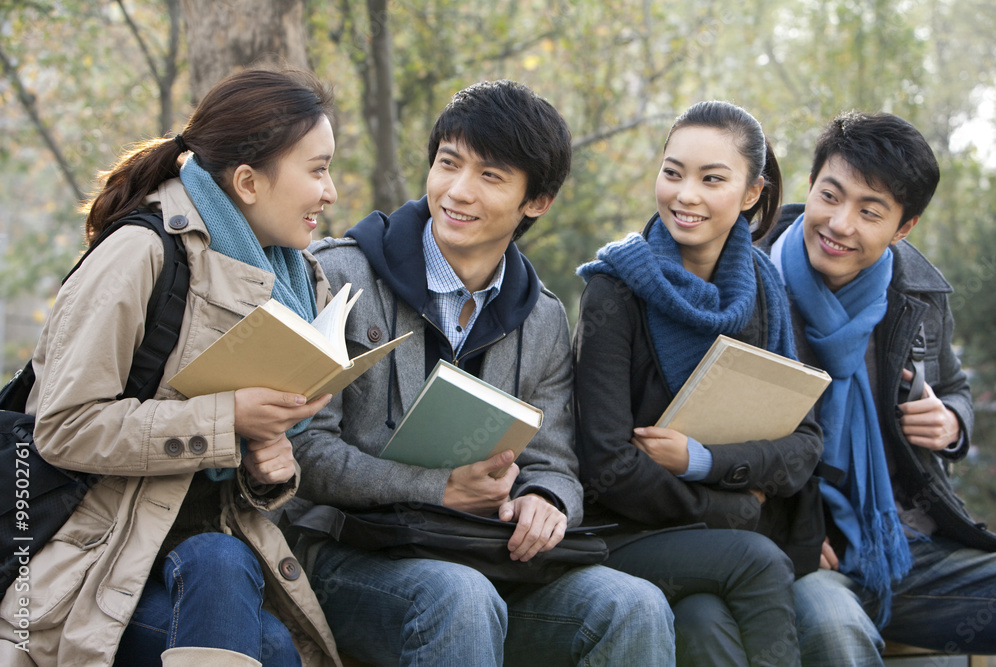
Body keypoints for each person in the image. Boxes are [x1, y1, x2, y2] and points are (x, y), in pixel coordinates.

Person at [289, 79, 673, 666]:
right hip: (352, 557)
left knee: (634, 604)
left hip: (485, 555)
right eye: (449, 163)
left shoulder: (542, 318)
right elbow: (304, 449)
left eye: (491, 176)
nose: (457, 191)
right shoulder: (338, 276)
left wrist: (547, 498)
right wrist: (437, 489)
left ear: (536, 201)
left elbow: (555, 460)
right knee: (460, 598)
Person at [0, 68, 342, 666]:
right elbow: (63, 427)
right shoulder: (139, 255)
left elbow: (214, 483)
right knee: (265, 636)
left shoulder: (295, 278)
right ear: (247, 181)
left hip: (204, 561)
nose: (330, 191)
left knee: (228, 568)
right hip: (84, 565)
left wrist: (264, 464)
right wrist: (224, 418)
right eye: (317, 169)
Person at [573, 100, 826, 667]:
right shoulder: (615, 291)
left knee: (704, 623)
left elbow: (803, 445)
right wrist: (730, 509)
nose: (685, 194)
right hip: (617, 534)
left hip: (707, 541)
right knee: (760, 561)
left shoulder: (764, 290)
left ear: (752, 193)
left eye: (712, 179)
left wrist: (702, 462)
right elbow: (607, 463)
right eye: (673, 172)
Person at [762, 110, 996, 664]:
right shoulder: (748, 284)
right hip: (806, 554)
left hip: (909, 543)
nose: (839, 224)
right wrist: (777, 527)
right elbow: (709, 440)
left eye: (870, 212)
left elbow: (956, 386)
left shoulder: (918, 295)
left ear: (903, 228)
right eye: (830, 195)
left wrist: (953, 422)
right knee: (834, 633)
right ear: (811, 184)